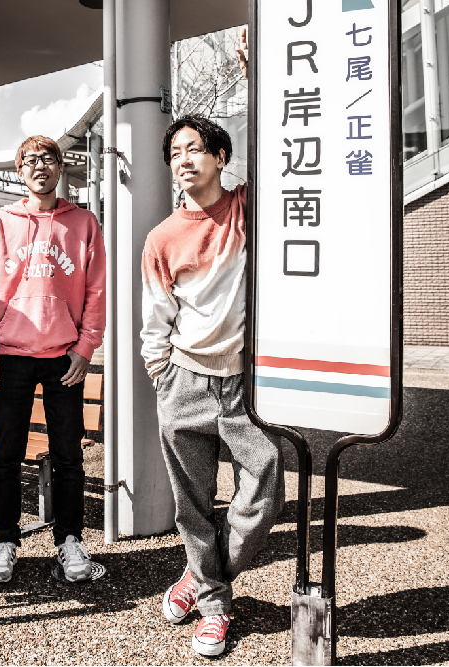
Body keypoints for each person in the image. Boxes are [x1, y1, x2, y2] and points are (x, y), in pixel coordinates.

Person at [140, 112, 285, 657]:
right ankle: (215, 606)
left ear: (221, 157)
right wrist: (161, 374)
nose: (183, 160)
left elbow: (277, 159)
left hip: (245, 383)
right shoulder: (161, 238)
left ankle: (201, 577)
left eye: (194, 148)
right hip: (183, 381)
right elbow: (156, 318)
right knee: (192, 504)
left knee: (266, 485)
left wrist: (257, 77)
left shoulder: (247, 207)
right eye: (175, 153)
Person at [0, 135, 106, 583]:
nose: (40, 167)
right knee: (6, 453)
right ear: (19, 171)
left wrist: (85, 347)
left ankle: (70, 540)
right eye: (30, 160)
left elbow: (96, 290)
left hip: (64, 358)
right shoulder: (1, 223)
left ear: (60, 168)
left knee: (68, 454)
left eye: (48, 159)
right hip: (10, 356)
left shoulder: (83, 222)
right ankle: (4, 541)